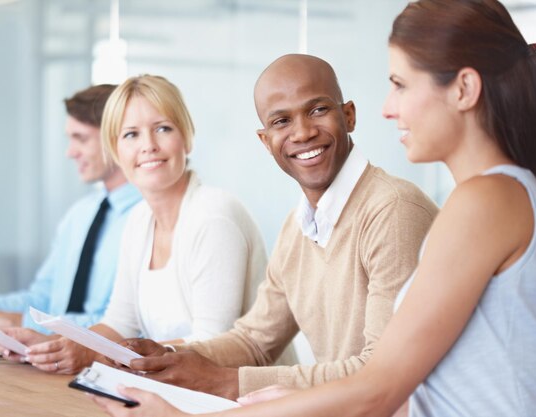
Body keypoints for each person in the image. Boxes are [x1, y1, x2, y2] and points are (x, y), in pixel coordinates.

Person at [91, 1, 536, 416]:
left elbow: (378, 386)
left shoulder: (474, 203)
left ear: (464, 88)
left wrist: (217, 394)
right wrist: (180, 361)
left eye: (400, 85)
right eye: (282, 121)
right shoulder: (487, 198)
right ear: (264, 139)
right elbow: (265, 341)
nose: (388, 108)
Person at [92, 54, 437, 401]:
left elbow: (379, 371)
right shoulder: (298, 227)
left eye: (318, 110)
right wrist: (171, 359)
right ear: (265, 140)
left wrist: (224, 381)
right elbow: (254, 340)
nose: (302, 132)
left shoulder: (393, 210)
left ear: (348, 116)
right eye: (282, 121)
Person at [0, 74, 269, 375]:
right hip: (170, 387)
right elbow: (119, 323)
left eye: (163, 129)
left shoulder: (214, 214)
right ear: (115, 151)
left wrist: (94, 354)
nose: (148, 145)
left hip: (238, 398)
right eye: (131, 135)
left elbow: (212, 343)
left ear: (187, 138)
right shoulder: (139, 220)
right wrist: (58, 345)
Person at [0, 84, 142, 333]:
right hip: (49, 358)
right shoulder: (80, 215)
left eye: (81, 138)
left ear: (118, 137)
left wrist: (14, 321)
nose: (70, 152)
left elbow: (126, 327)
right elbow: (41, 300)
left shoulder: (149, 216)